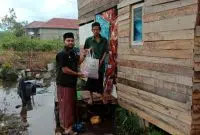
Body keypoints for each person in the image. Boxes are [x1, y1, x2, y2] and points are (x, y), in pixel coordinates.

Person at [56, 32, 86, 135]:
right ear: (64, 41)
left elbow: (78, 62)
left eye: (72, 40)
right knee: (66, 106)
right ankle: (66, 129)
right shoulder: (61, 54)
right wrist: (77, 74)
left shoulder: (73, 53)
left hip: (72, 84)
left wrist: (84, 55)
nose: (70, 42)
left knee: (71, 105)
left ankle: (69, 126)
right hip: (64, 84)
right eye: (68, 40)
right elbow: (65, 70)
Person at [84, 22, 109, 104]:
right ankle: (91, 98)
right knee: (90, 81)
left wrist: (100, 62)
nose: (95, 31)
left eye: (97, 29)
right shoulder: (88, 40)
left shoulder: (104, 40)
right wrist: (89, 50)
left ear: (100, 30)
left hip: (100, 65)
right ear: (92, 30)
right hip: (92, 64)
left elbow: (105, 52)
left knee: (100, 81)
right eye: (94, 29)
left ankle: (102, 97)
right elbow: (85, 51)